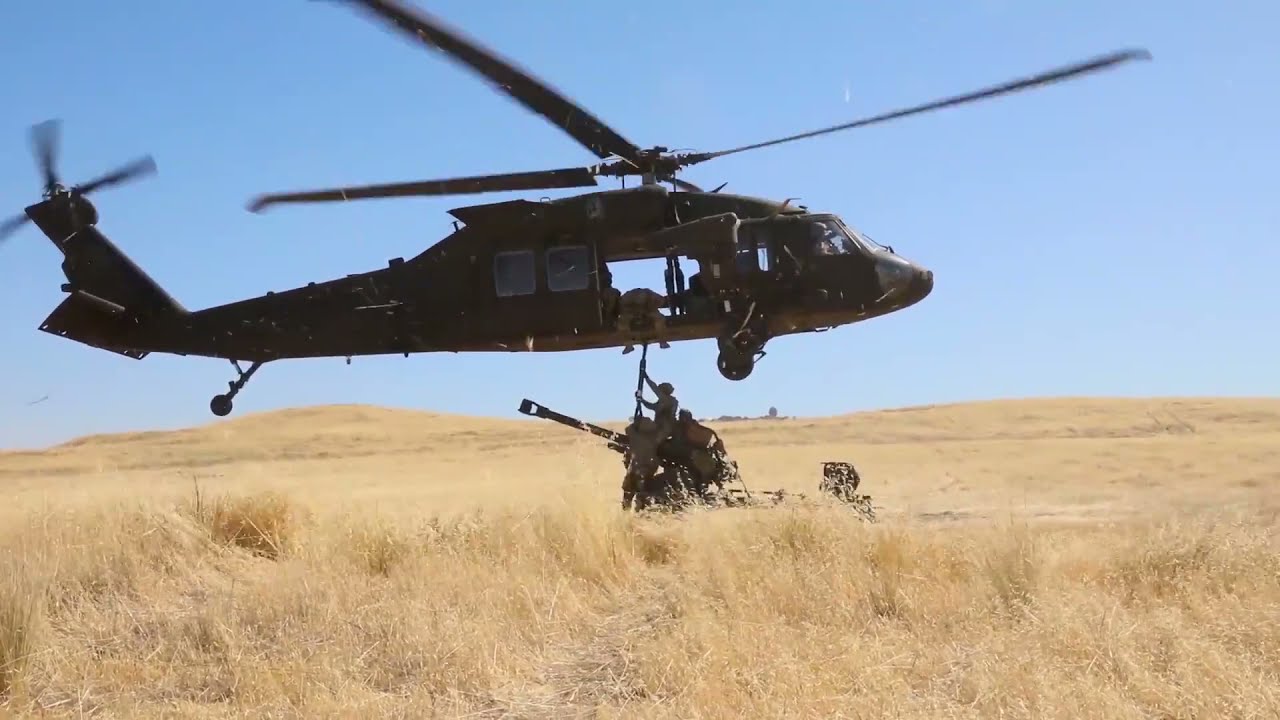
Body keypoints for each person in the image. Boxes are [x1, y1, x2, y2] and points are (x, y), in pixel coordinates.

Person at [622, 415, 661, 510]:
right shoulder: (655, 437)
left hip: (635, 469)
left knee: (628, 493)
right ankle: (640, 512)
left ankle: (627, 513)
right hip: (646, 470)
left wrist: (636, 424)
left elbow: (628, 429)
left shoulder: (634, 435)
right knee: (642, 495)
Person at [616, 287, 670, 353]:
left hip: (649, 310)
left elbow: (661, 300)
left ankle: (662, 341)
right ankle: (628, 345)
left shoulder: (649, 294)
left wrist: (650, 307)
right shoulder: (628, 297)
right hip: (631, 312)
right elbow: (621, 305)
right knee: (622, 324)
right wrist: (633, 310)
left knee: (660, 320)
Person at [636, 374, 679, 442]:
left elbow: (654, 389)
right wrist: (641, 400)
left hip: (666, 427)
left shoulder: (668, 400)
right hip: (659, 426)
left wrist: (647, 378)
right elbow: (651, 406)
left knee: (654, 441)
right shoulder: (663, 401)